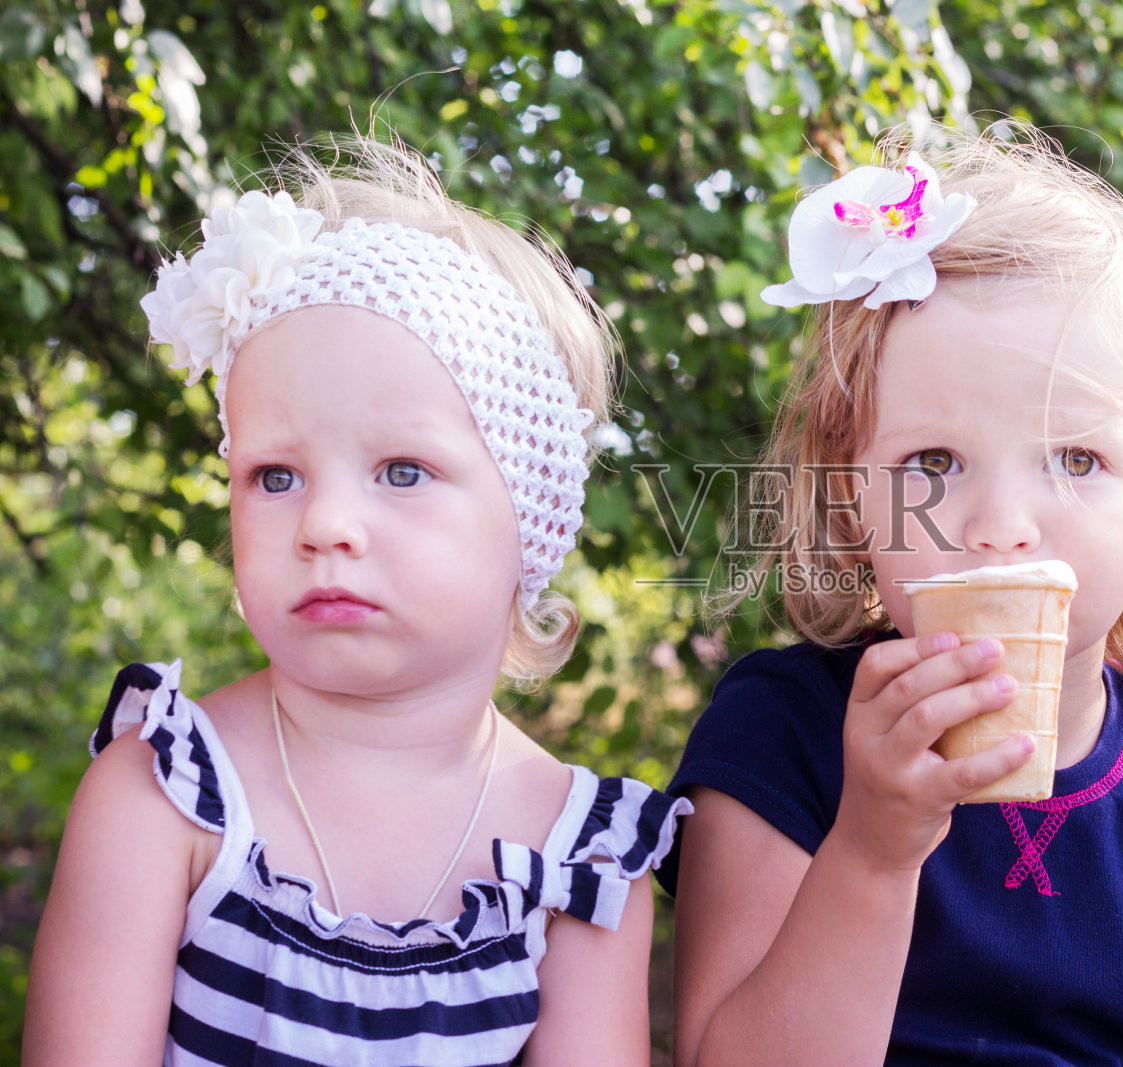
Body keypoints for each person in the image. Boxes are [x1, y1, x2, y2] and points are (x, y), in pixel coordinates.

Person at [661, 123, 1123, 1066]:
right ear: (854, 501)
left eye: (1077, 458)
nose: (1002, 523)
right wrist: (875, 851)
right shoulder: (780, 737)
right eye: (934, 461)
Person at [23, 138, 689, 1067]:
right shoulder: (164, 798)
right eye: (275, 474)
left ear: (528, 519)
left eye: (403, 470)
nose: (325, 522)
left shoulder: (579, 859)